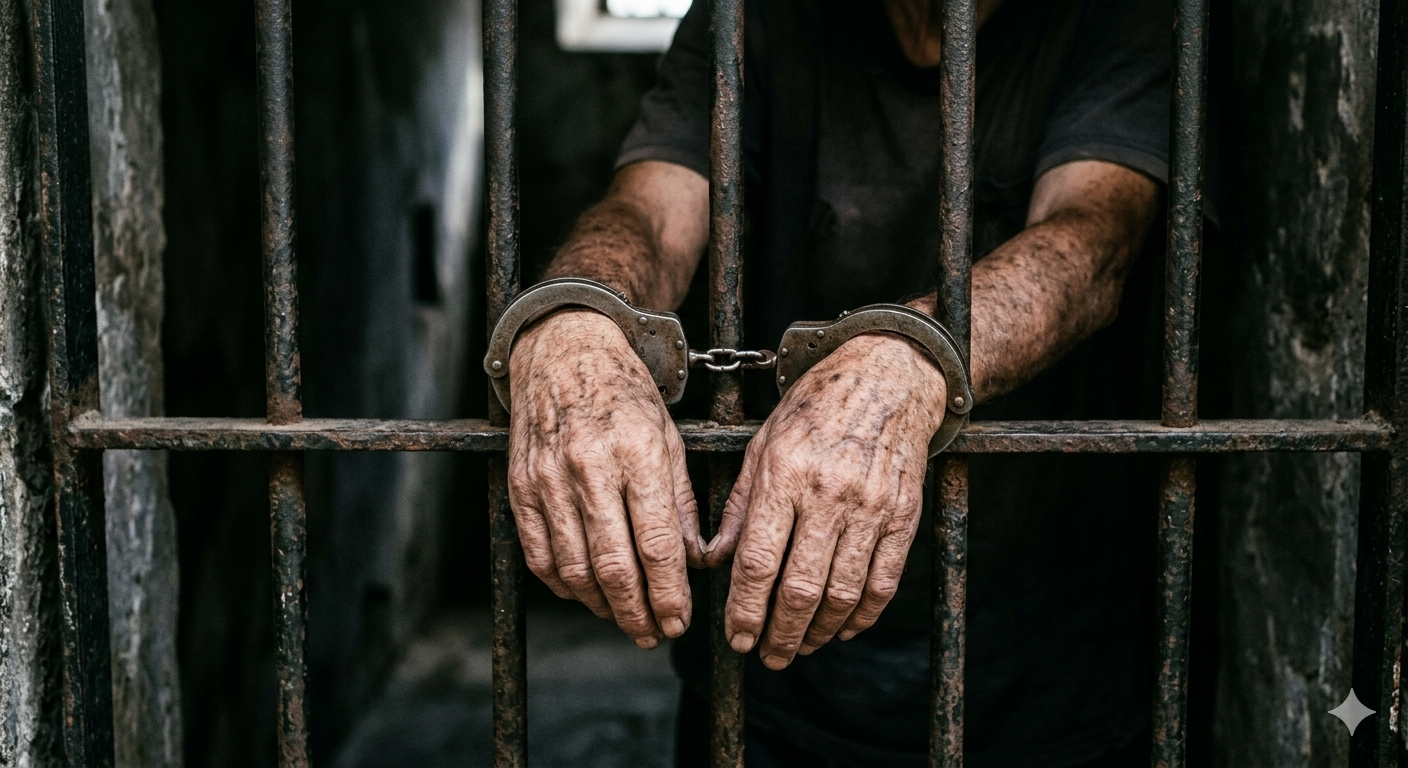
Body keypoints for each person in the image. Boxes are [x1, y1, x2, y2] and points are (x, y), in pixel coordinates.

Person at [502, 0, 1178, 764]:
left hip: (1043, 661)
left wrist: (906, 359)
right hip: (765, 667)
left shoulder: (1123, 19)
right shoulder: (751, 17)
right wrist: (573, 322)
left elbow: (1093, 240)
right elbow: (652, 212)